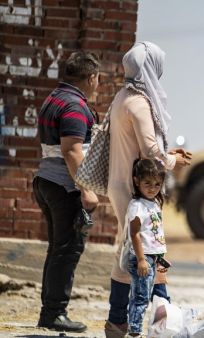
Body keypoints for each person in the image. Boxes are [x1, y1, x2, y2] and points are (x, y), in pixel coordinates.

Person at [105, 41, 191, 337]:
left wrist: (169, 151)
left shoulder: (123, 97)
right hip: (136, 189)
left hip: (122, 184)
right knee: (144, 252)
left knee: (130, 252)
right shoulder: (140, 103)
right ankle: (158, 322)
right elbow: (151, 152)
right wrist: (173, 160)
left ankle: (120, 321)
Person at [33, 51, 100, 333]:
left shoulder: (55, 98)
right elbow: (72, 150)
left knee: (58, 249)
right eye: (97, 80)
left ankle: (50, 311)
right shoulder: (74, 104)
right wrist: (86, 190)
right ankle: (54, 314)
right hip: (65, 186)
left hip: (47, 181)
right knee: (67, 250)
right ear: (91, 77)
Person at [124, 159, 170, 336]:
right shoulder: (137, 205)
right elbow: (134, 233)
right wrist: (142, 260)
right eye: (147, 183)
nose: (153, 188)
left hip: (152, 257)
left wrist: (160, 258)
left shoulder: (154, 204)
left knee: (148, 294)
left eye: (157, 184)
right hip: (142, 258)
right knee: (141, 296)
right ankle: (134, 330)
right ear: (137, 181)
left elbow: (155, 234)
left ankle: (140, 328)